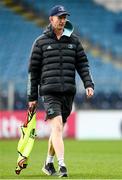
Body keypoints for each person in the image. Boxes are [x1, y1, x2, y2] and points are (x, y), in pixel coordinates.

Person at [27, 5, 94, 177]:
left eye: (64, 17)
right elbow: (33, 72)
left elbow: (83, 64)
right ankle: (62, 166)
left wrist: (88, 84)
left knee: (58, 129)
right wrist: (32, 96)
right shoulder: (40, 42)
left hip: (68, 92)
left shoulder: (74, 41)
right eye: (59, 17)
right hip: (49, 92)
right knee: (57, 126)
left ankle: (48, 163)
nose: (63, 20)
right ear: (51, 19)